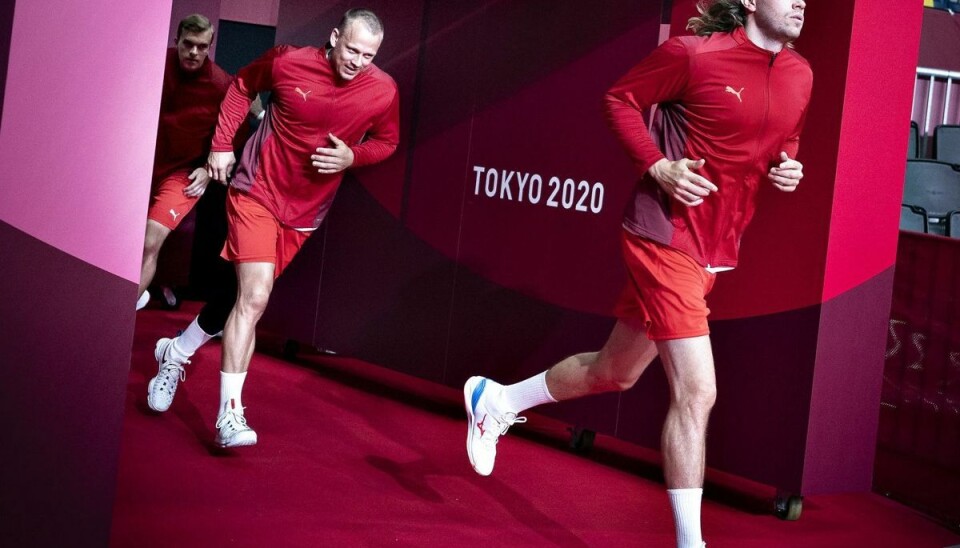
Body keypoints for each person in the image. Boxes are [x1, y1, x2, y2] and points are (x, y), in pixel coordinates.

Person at [463, 1, 811, 547]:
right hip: (662, 236)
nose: (801, 1)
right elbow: (619, 99)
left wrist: (786, 164)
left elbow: (782, 139)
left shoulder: (800, 73)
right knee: (698, 392)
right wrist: (658, 165)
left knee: (615, 372)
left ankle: (498, 402)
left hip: (714, 251)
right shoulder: (694, 56)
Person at [148, 8, 400, 449]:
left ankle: (177, 352)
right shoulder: (288, 62)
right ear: (335, 36)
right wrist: (222, 145)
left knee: (237, 295)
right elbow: (242, 85)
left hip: (304, 214)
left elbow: (388, 141)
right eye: (353, 49)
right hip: (256, 191)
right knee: (256, 295)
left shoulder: (381, 90)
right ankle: (230, 416)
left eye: (369, 55)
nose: (358, 61)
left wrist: (352, 158)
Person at [136, 14, 232, 312]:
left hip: (181, 173)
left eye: (201, 47)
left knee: (150, 241)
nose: (194, 52)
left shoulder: (220, 84)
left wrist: (206, 168)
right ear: (176, 41)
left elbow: (232, 136)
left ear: (209, 47)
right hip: (139, 164)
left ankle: (116, 315)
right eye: (188, 44)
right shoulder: (151, 64)